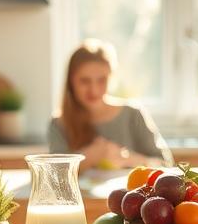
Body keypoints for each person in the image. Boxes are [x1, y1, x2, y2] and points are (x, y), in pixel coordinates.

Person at [49, 40, 172, 169]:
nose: (94, 90)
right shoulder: (59, 124)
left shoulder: (132, 114)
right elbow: (54, 175)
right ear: (71, 81)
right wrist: (91, 155)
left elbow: (167, 165)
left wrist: (127, 158)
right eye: (85, 81)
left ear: (111, 77)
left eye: (102, 80)